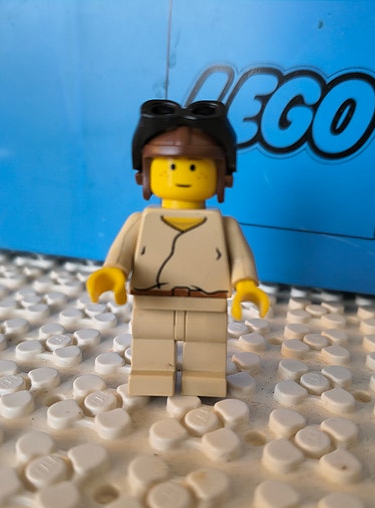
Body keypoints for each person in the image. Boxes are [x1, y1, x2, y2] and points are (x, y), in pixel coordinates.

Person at [87, 99, 269, 396]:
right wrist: (112, 272)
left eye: (195, 167)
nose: (183, 174)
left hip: (207, 302)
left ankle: (205, 379)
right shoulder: (139, 221)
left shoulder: (225, 226)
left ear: (223, 176)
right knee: (150, 341)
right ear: (145, 175)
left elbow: (240, 259)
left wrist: (246, 284)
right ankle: (151, 376)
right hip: (153, 300)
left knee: (207, 345)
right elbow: (121, 254)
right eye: (171, 166)